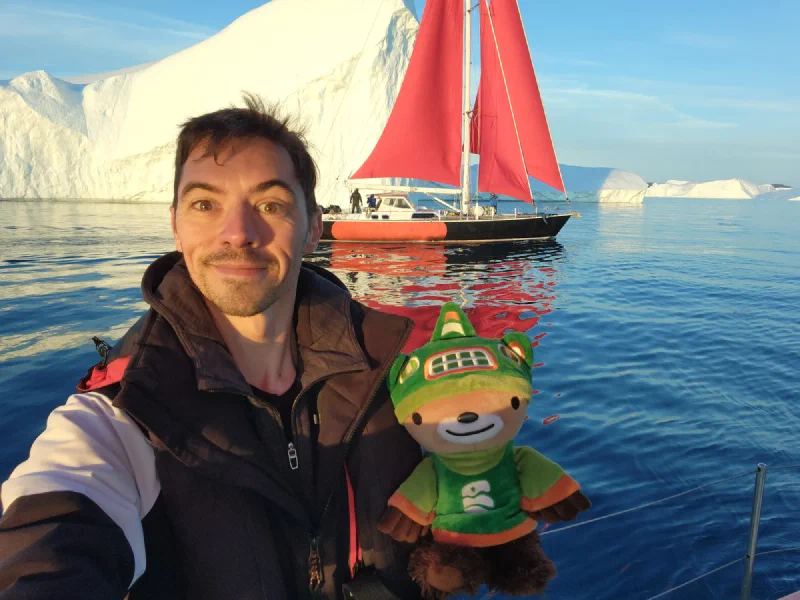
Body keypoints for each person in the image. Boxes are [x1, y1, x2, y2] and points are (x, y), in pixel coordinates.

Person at [0, 94, 425, 599]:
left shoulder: (399, 375)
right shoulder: (127, 414)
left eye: (270, 205)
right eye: (206, 204)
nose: (238, 233)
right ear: (175, 225)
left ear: (313, 228)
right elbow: (50, 533)